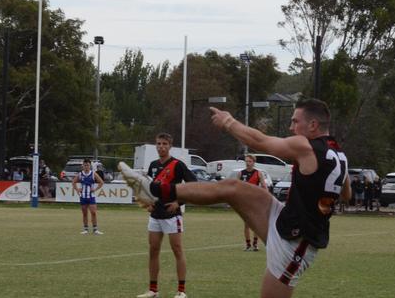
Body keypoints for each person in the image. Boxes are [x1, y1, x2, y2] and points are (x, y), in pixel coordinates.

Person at [120, 99, 351, 298]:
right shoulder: (340, 156)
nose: (291, 127)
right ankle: (156, 191)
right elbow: (346, 194)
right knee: (232, 187)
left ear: (313, 125)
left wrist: (229, 122)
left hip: (296, 242)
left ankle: (155, 191)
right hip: (286, 218)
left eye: (295, 121)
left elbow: (261, 142)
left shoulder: (305, 145)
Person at [136, 133, 197, 298]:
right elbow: (150, 189)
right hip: (155, 215)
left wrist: (179, 202)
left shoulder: (178, 165)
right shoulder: (153, 165)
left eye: (164, 144)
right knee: (153, 250)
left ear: (170, 146)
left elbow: (194, 185)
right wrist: (148, 203)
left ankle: (181, 291)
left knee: (177, 250)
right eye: (158, 143)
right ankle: (153, 290)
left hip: (172, 216)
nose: (161, 146)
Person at [237, 154, 268, 251]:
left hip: (255, 202)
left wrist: (265, 198)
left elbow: (264, 187)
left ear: (254, 162)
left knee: (255, 224)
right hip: (245, 202)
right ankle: (248, 245)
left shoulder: (258, 173)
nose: (248, 163)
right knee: (246, 224)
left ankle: (255, 244)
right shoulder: (241, 173)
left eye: (250, 161)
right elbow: (236, 188)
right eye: (246, 161)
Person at [72, 158, 104, 235]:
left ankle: (95, 229)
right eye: (85, 165)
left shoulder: (93, 174)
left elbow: (101, 182)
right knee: (85, 213)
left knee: (93, 212)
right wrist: (77, 189)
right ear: (83, 166)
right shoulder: (80, 174)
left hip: (91, 196)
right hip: (83, 197)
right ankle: (85, 229)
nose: (86, 167)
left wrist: (95, 189)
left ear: (90, 166)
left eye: (88, 165)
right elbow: (73, 182)